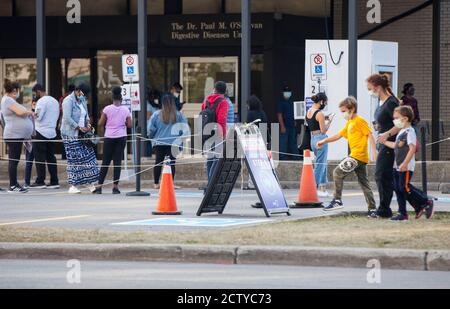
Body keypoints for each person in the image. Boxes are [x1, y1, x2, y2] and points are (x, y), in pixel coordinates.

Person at [317, 97, 377, 215]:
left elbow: (369, 134)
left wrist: (374, 151)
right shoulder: (350, 123)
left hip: (357, 156)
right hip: (358, 157)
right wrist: (324, 141)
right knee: (364, 183)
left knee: (337, 173)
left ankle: (337, 200)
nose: (343, 114)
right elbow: (339, 135)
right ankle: (372, 209)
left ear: (352, 109)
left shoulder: (359, 121)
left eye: (344, 111)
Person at [380, 106, 434, 221]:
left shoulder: (410, 131)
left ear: (405, 118)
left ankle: (425, 201)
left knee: (404, 187)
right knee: (398, 188)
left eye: (396, 118)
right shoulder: (402, 132)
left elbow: (412, 149)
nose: (394, 121)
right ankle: (402, 213)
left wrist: (405, 163)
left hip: (405, 166)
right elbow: (397, 145)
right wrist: (384, 141)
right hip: (397, 166)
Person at [367, 74, 400, 219]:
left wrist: (386, 134)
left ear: (378, 87)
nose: (369, 91)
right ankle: (385, 209)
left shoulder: (391, 102)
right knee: (386, 177)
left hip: (390, 145)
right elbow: (384, 120)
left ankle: (384, 209)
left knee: (381, 175)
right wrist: (377, 126)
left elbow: (399, 124)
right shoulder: (380, 103)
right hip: (383, 144)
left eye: (369, 88)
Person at [61, 83, 99, 194]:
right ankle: (73, 185)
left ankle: (89, 182)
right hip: (70, 134)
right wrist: (78, 127)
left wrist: (88, 124)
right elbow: (67, 117)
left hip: (83, 134)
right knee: (74, 159)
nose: (84, 96)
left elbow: (86, 115)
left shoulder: (82, 99)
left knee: (88, 156)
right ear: (78, 90)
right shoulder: (68, 101)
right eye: (83, 93)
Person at [93, 86, 132, 195]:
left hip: (109, 137)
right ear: (121, 99)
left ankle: (99, 186)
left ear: (112, 98)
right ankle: (115, 187)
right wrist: (122, 123)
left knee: (105, 162)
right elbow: (130, 124)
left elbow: (100, 123)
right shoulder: (125, 110)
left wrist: (107, 122)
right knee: (117, 162)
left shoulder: (107, 109)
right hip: (121, 137)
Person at [148, 94, 189, 189]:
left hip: (159, 143)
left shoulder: (156, 114)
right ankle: (171, 183)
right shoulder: (178, 115)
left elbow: (151, 129)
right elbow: (185, 129)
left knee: (158, 162)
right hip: (174, 143)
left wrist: (151, 137)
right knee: (171, 163)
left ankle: (156, 183)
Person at [0, 79, 34, 193]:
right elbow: (20, 112)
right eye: (17, 90)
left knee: (15, 160)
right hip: (13, 135)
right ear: (14, 90)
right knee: (13, 160)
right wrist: (30, 113)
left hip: (16, 134)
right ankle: (13, 185)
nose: (18, 93)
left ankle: (14, 184)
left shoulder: (9, 100)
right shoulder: (8, 100)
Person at [29, 84, 60, 189]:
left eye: (34, 94)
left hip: (40, 131)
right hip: (52, 132)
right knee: (51, 157)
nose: (34, 96)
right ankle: (54, 181)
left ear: (38, 91)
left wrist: (33, 111)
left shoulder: (41, 101)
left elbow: (38, 117)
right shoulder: (55, 101)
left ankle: (40, 181)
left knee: (39, 158)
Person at [201, 81, 229, 182]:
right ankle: (212, 182)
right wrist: (223, 135)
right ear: (225, 90)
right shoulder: (223, 102)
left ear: (215, 89)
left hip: (206, 132)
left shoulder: (206, 101)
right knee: (216, 159)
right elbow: (222, 120)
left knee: (210, 158)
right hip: (217, 133)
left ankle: (209, 182)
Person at [306, 93, 332, 197]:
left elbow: (313, 123)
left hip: (312, 139)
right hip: (320, 138)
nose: (325, 104)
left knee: (322, 163)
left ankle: (322, 188)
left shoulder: (309, 111)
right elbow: (323, 130)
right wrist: (329, 121)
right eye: (325, 102)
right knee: (320, 165)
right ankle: (313, 188)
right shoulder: (320, 113)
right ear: (321, 101)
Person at [277, 86, 298, 161]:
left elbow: (294, 112)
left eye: (289, 92)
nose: (287, 94)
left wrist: (295, 121)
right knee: (283, 141)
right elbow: (279, 115)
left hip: (292, 125)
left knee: (293, 141)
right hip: (285, 125)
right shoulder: (281, 102)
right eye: (286, 92)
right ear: (283, 93)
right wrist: (282, 126)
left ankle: (295, 156)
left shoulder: (292, 101)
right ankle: (283, 157)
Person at [146, 89, 161, 157]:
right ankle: (148, 155)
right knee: (149, 142)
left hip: (157, 127)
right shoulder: (148, 104)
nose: (156, 99)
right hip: (149, 127)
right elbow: (148, 116)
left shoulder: (158, 105)